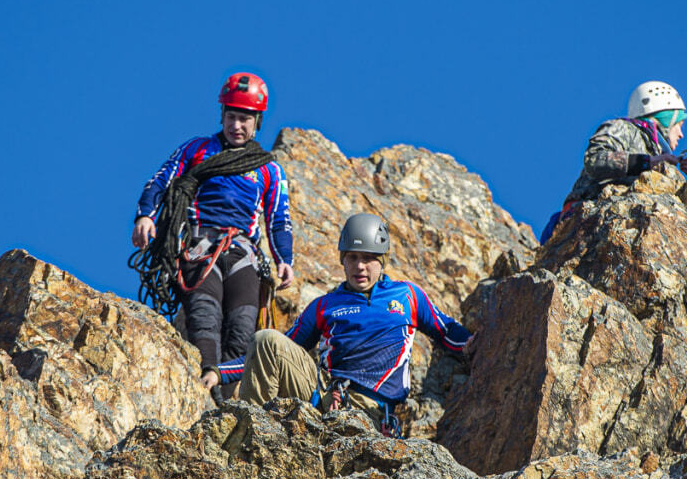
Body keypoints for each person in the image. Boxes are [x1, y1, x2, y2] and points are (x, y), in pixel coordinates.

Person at [202, 212, 471, 436]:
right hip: (326, 397)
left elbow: (446, 330)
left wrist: (473, 345)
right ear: (343, 259)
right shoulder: (326, 305)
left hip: (374, 413)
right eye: (352, 257)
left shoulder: (407, 296)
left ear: (382, 260)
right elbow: (272, 350)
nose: (360, 266)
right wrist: (219, 372)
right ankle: (256, 436)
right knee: (266, 339)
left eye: (368, 257)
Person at [131, 72, 295, 378]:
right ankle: (205, 377)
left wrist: (284, 260)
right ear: (222, 115)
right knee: (205, 316)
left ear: (257, 121)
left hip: (244, 253)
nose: (236, 125)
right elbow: (161, 181)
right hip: (200, 246)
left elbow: (278, 219)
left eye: (245, 119)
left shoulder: (269, 169)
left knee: (243, 326)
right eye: (231, 116)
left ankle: (226, 389)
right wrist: (145, 216)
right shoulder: (197, 150)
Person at [541, 81, 687, 242]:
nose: (681, 134)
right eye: (679, 125)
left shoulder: (660, 156)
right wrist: (647, 162)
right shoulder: (623, 128)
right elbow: (595, 159)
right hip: (585, 217)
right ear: (666, 119)